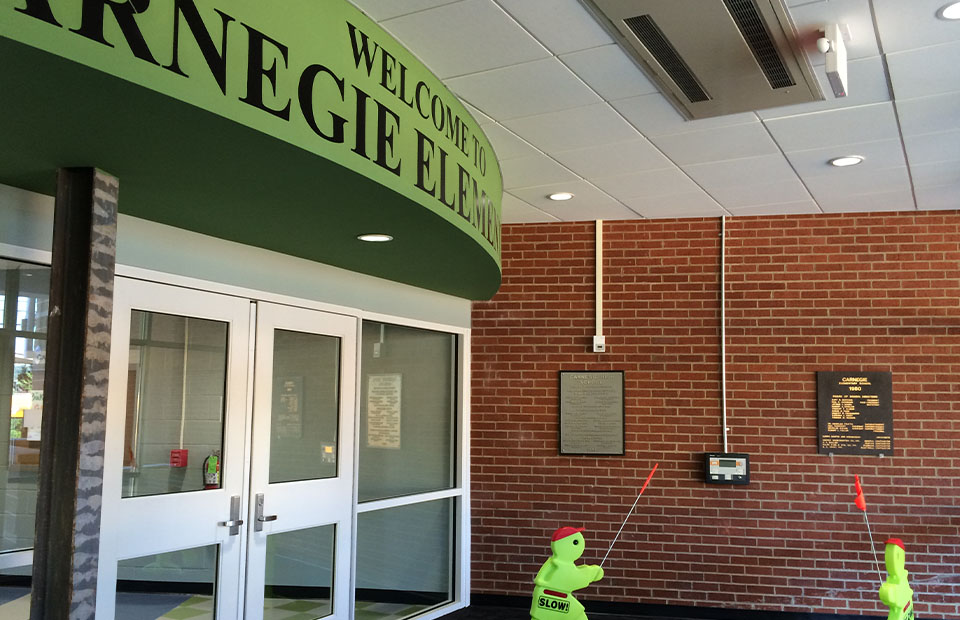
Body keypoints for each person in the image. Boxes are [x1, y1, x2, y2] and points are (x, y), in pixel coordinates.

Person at [530, 526, 603, 620]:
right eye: (575, 542)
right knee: (578, 616)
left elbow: (574, 574)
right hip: (556, 599)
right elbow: (576, 579)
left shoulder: (553, 562)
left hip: (546, 598)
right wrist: (592, 573)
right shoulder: (562, 565)